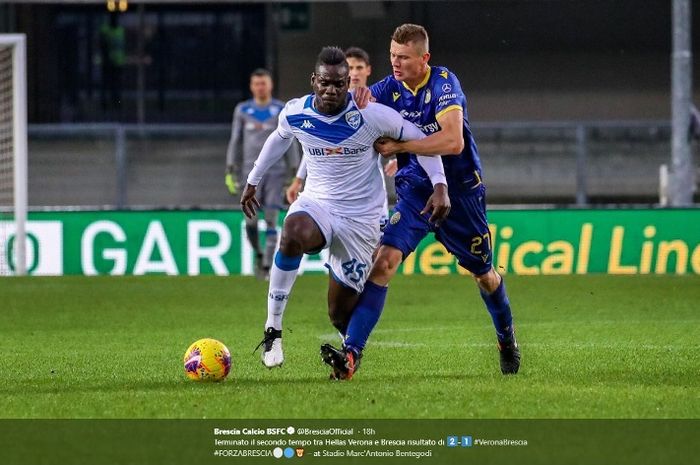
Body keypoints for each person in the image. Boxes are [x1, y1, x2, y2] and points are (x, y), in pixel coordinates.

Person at [326, 24, 521, 379]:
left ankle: (506, 338)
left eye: (403, 57)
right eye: (391, 57)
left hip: (461, 193)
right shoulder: (387, 89)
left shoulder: (444, 84)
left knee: (485, 277)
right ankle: (351, 354)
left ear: (424, 58)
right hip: (416, 190)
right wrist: (351, 97)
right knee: (384, 261)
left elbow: (453, 142)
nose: (395, 64)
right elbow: (351, 108)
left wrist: (399, 146)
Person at [241, 47, 449, 379]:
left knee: (339, 314)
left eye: (339, 84)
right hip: (318, 204)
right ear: (314, 81)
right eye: (325, 82)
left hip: (361, 219)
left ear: (347, 84)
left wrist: (440, 184)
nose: (331, 90)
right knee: (292, 232)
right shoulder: (295, 112)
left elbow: (418, 138)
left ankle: (350, 351)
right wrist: (253, 180)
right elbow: (278, 140)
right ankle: (273, 331)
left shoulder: (372, 115)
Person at [286, 47, 398, 230]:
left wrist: (399, 157)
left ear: (368, 70)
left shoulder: (377, 103)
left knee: (377, 244)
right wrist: (299, 178)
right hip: (332, 190)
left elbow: (401, 133)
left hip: (367, 187)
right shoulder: (327, 104)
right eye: (350, 67)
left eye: (359, 68)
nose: (355, 73)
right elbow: (316, 143)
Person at [226, 69, 299, 279]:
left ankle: (267, 266)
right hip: (250, 173)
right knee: (250, 221)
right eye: (256, 83)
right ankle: (258, 253)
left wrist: (294, 172)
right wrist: (231, 168)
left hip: (276, 172)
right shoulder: (242, 110)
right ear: (251, 86)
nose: (260, 87)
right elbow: (235, 140)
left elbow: (289, 140)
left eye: (263, 83)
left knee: (271, 218)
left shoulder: (280, 109)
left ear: (270, 85)